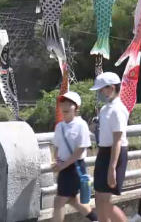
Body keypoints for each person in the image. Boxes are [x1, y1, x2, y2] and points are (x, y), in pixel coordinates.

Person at [51, 92, 98, 222]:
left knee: (59, 201)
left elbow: (80, 150)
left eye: (69, 104)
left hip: (74, 167)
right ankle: (95, 219)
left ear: (76, 108)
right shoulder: (59, 126)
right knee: (73, 200)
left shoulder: (81, 125)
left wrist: (63, 165)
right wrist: (57, 161)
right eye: (62, 104)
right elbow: (57, 146)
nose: (64, 107)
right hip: (63, 167)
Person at [90, 72, 130, 222]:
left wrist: (112, 168)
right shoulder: (105, 109)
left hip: (115, 154)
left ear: (111, 88)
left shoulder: (118, 110)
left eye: (101, 89)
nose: (99, 93)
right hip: (103, 152)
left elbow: (117, 140)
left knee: (105, 202)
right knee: (99, 199)